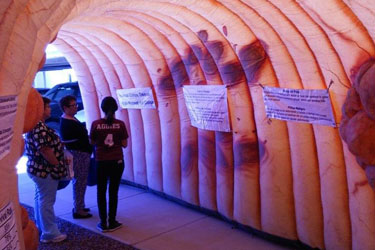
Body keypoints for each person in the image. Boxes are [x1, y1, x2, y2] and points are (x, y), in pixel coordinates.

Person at [25, 97, 67, 243]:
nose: (50, 109)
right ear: (40, 109)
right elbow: (44, 149)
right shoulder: (39, 127)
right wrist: (57, 165)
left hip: (38, 170)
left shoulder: (37, 125)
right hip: (44, 170)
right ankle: (50, 233)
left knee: (41, 199)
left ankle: (42, 227)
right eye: (47, 107)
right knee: (46, 201)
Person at [90, 96, 128, 232]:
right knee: (113, 191)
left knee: (101, 191)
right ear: (116, 108)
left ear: (102, 108)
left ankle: (103, 222)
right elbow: (124, 144)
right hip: (117, 161)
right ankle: (112, 221)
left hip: (101, 161)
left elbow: (92, 142)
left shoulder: (95, 124)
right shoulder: (121, 124)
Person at [59, 95, 93, 219]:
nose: (75, 107)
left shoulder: (71, 119)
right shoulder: (67, 122)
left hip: (81, 152)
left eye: (75, 105)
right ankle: (78, 209)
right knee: (79, 182)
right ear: (65, 108)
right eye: (72, 105)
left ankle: (80, 205)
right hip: (78, 154)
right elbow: (71, 140)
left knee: (81, 181)